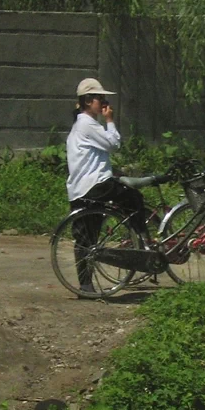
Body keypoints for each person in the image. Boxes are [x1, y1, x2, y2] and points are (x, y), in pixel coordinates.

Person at [66, 78, 150, 293]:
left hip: (80, 189)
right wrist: (110, 120)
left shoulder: (81, 125)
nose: (103, 102)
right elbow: (114, 144)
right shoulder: (87, 123)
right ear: (87, 101)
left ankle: (85, 285)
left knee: (86, 238)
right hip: (95, 185)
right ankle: (143, 244)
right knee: (134, 199)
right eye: (99, 98)